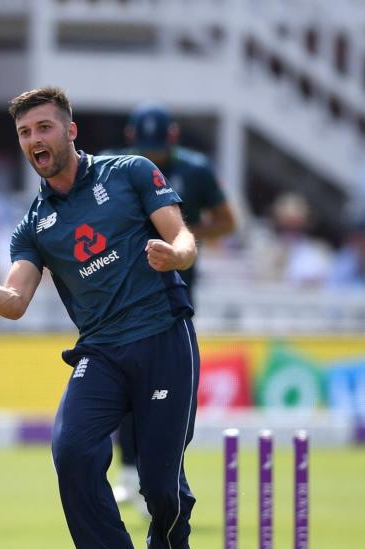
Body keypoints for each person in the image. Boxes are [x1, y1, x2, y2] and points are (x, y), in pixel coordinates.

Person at [0, 86, 200, 549]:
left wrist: (173, 254)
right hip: (101, 350)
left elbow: (184, 238)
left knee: (160, 488)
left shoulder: (130, 172)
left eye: (44, 128)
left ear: (70, 131)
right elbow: (14, 303)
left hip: (163, 338)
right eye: (26, 133)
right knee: (72, 449)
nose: (35, 140)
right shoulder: (32, 224)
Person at [110, 102, 236, 514]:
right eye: (146, 150)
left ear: (174, 139)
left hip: (175, 291)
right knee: (125, 387)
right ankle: (130, 473)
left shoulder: (196, 169)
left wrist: (181, 233)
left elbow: (228, 221)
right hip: (124, 293)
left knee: (166, 388)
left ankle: (160, 476)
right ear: (131, 140)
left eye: (158, 151)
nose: (153, 159)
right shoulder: (114, 169)